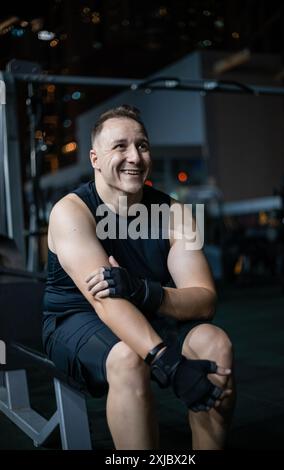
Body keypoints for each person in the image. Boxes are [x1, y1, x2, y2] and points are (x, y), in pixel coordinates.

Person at [43, 104, 235, 450]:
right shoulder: (71, 211)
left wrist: (146, 292)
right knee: (128, 357)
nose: (134, 156)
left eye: (142, 145)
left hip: (148, 309)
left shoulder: (175, 212)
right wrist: (168, 362)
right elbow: (107, 304)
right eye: (120, 146)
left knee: (214, 342)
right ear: (95, 158)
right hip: (77, 320)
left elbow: (204, 299)